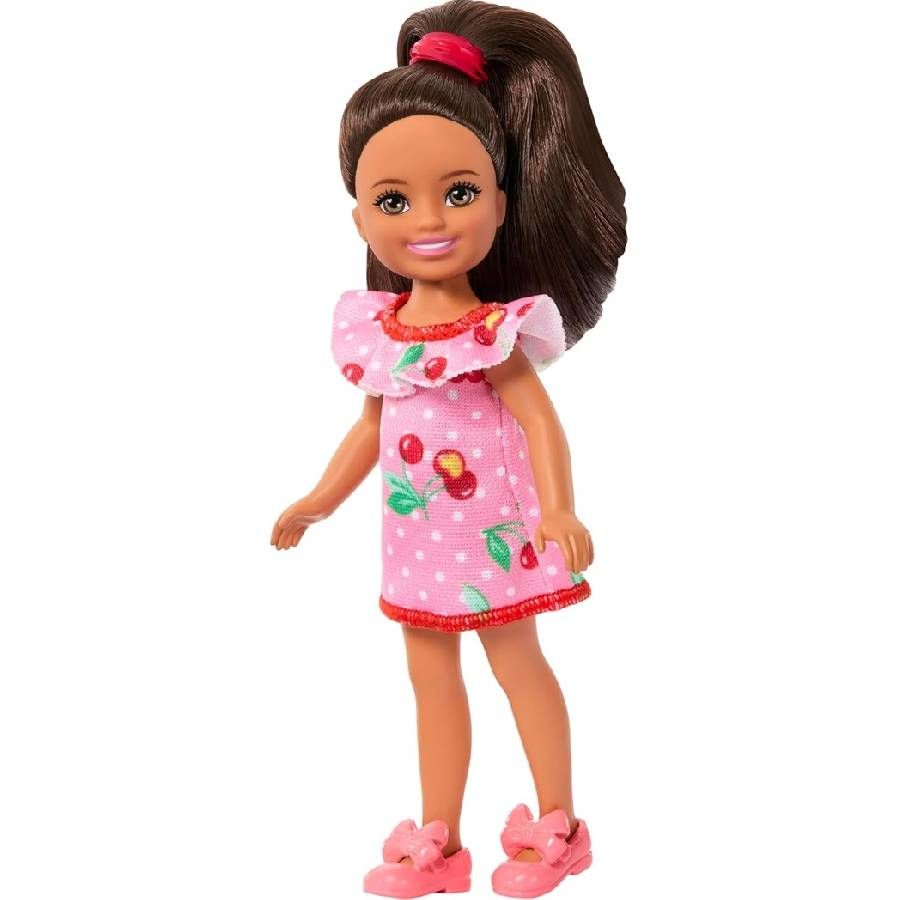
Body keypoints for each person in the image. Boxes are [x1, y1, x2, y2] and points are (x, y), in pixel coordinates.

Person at [271, 2, 626, 895]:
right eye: (394, 200)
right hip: (415, 542)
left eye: (458, 192)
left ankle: (557, 827)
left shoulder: (491, 333)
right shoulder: (379, 334)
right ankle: (441, 840)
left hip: (499, 535)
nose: (427, 219)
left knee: (517, 665)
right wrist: (318, 500)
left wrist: (558, 508)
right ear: (361, 218)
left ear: (499, 204)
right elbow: (370, 430)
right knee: (430, 681)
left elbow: (539, 420)